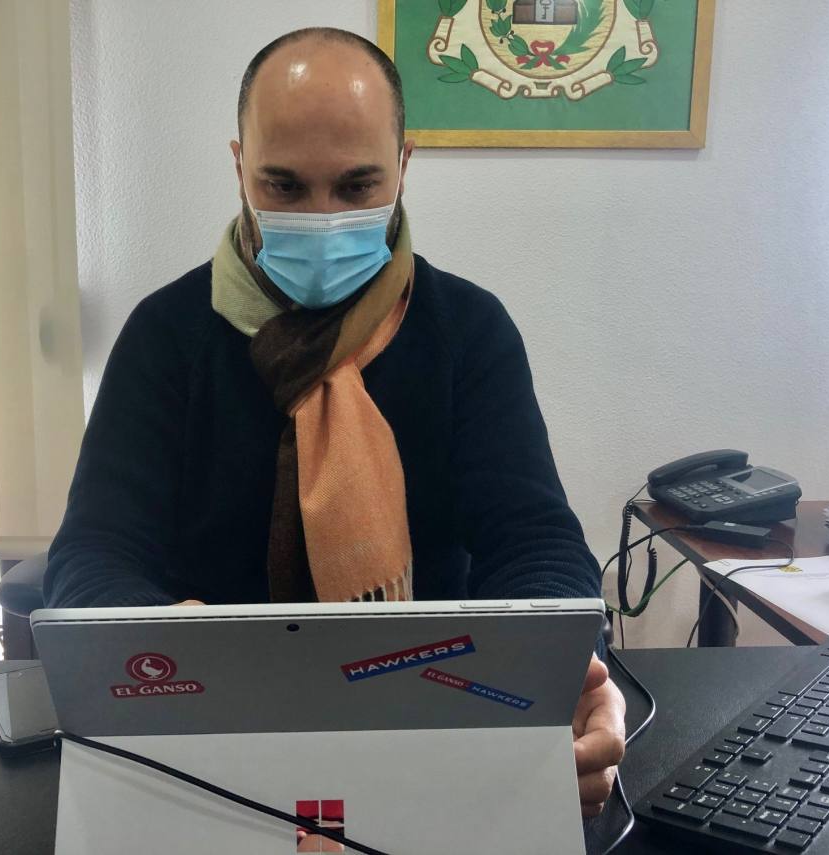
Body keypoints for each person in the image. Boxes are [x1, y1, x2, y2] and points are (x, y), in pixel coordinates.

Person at [44, 26, 624, 817]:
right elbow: (92, 555)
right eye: (283, 186)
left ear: (404, 166)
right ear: (239, 166)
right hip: (203, 748)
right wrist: (164, 642)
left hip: (434, 733)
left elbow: (538, 544)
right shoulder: (164, 336)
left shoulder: (470, 332)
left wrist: (562, 677)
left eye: (356, 187)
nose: (321, 218)